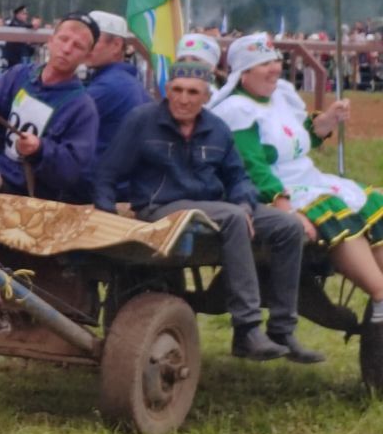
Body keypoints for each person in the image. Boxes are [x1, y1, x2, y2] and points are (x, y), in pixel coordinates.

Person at [95, 59, 321, 362]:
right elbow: (107, 173)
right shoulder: (141, 121)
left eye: (192, 92)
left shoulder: (217, 129)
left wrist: (244, 203)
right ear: (167, 90)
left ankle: (282, 329)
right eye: (177, 90)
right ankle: (247, 328)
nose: (184, 99)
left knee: (287, 226)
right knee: (231, 218)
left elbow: (238, 177)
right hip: (162, 206)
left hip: (214, 207)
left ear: (205, 97)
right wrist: (106, 214)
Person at [210, 32, 383, 322]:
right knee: (335, 212)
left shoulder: (278, 96)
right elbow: (253, 166)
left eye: (275, 60)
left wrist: (326, 121)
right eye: (264, 63)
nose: (275, 68)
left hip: (309, 178)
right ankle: (379, 294)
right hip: (276, 188)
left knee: (374, 201)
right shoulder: (237, 111)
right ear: (243, 73)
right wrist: (282, 204)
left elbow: (296, 141)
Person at [0, 13, 100, 202]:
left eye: (78, 46)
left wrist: (40, 149)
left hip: (28, 194)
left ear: (87, 56)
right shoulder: (19, 74)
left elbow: (72, 170)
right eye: (63, 39)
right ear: (51, 40)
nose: (67, 49)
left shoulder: (83, 108)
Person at [86, 10, 150, 157]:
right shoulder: (129, 82)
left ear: (116, 45)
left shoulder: (109, 86)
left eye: (93, 40)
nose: (85, 46)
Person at [2, 3, 33, 69]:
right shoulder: (14, 23)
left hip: (18, 55)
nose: (26, 16)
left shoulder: (23, 24)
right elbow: (20, 27)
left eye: (26, 14)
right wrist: (32, 26)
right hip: (12, 56)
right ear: (17, 14)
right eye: (24, 14)